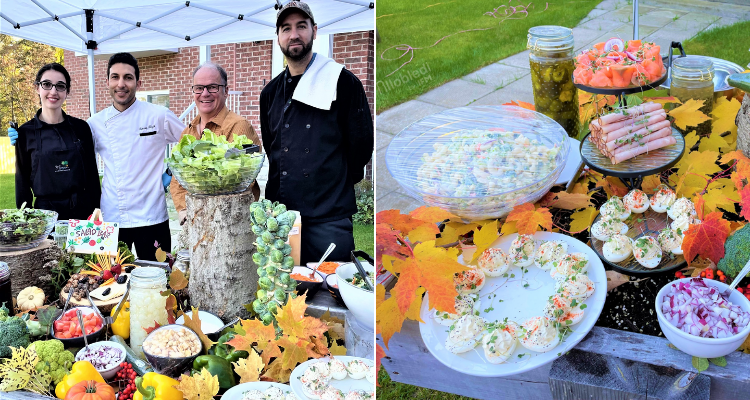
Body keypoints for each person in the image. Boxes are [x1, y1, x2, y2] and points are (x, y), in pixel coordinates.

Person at [260, 1, 374, 264]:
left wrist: (332, 186)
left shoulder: (343, 82)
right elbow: (272, 147)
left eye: (301, 26)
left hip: (329, 218)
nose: (294, 34)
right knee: (284, 295)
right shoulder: (270, 94)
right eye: (286, 28)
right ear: (278, 37)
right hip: (282, 218)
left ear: (314, 31)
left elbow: (361, 146)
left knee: (331, 297)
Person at [87, 53, 184, 261]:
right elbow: (75, 156)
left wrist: (171, 171)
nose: (121, 84)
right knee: (108, 283)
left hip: (152, 214)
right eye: (115, 77)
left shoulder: (159, 115)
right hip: (111, 216)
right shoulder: (95, 123)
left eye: (128, 77)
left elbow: (189, 143)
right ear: (107, 82)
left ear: (138, 83)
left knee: (159, 281)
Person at [170, 62, 262, 225]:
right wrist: (184, 210)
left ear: (226, 91)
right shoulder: (188, 132)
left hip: (230, 224)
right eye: (199, 88)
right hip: (196, 222)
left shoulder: (239, 127)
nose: (205, 93)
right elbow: (177, 179)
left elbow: (237, 180)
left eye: (212, 87)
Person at [12, 63, 101, 220]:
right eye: (47, 84)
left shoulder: (81, 128)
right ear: (37, 88)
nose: (53, 91)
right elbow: (22, 184)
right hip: (44, 218)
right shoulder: (25, 133)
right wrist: (27, 223)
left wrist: (96, 214)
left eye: (60, 86)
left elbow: (93, 178)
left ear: (67, 92)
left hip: (82, 216)